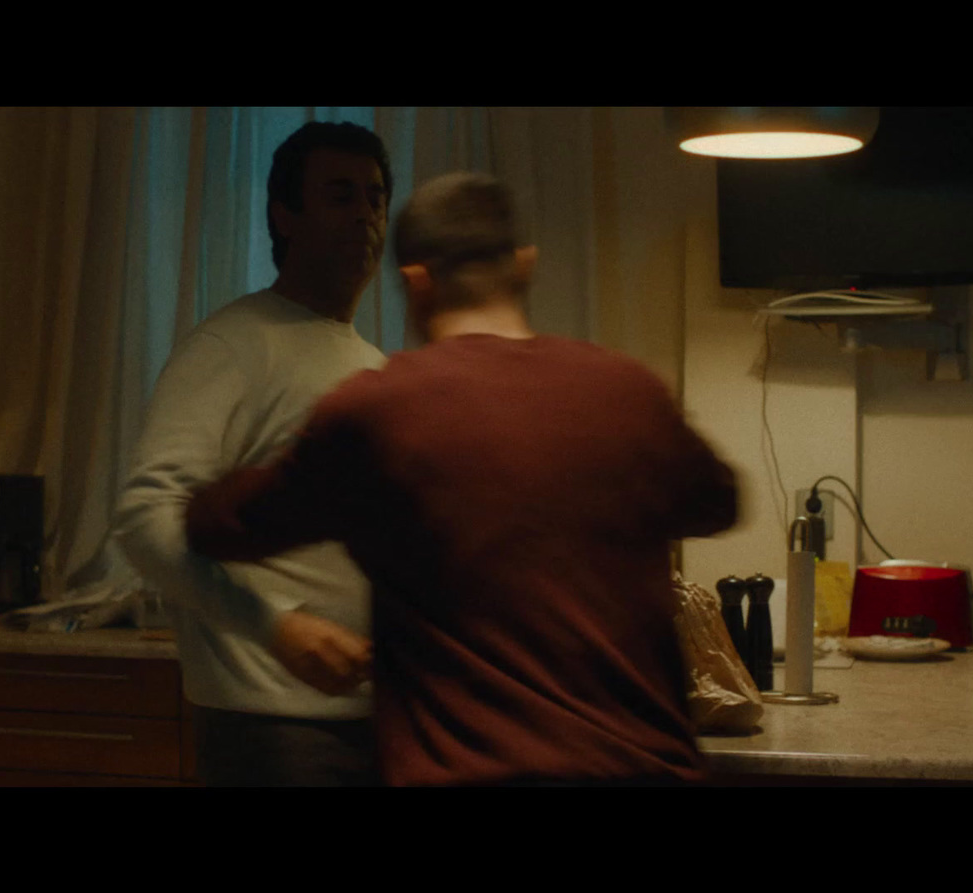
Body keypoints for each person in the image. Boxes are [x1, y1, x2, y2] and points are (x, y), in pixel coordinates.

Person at [184, 171, 741, 786]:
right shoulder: (627, 390)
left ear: (415, 282)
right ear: (524, 266)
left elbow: (225, 524)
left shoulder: (377, 410)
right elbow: (718, 502)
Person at [113, 121, 393, 787]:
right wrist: (278, 626)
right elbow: (145, 518)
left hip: (376, 720)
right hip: (272, 731)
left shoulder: (375, 365)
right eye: (340, 195)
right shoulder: (231, 346)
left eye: (376, 197)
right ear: (284, 215)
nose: (365, 215)